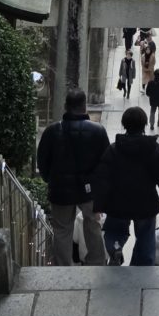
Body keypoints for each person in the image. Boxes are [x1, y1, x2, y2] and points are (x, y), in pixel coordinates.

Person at [93, 106, 159, 266]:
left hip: (117, 203)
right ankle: (142, 267)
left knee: (114, 231)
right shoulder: (154, 150)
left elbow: (102, 179)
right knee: (146, 237)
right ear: (144, 124)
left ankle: (115, 248)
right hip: (146, 204)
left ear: (124, 125)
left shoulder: (113, 150)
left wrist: (98, 205)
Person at [36, 88, 110, 267]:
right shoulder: (98, 131)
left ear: (65, 106)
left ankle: (63, 266)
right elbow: (106, 162)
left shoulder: (52, 131)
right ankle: (97, 262)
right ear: (84, 106)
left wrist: (50, 179)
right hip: (89, 189)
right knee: (93, 224)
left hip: (60, 188)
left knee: (62, 229)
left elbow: (42, 160)